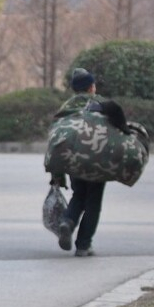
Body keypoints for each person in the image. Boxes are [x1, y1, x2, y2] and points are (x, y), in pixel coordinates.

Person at [53, 68, 106, 257]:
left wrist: (56, 174)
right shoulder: (101, 104)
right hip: (97, 161)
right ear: (91, 87)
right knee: (93, 201)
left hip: (72, 160)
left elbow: (56, 141)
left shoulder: (66, 108)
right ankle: (83, 245)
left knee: (78, 195)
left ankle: (67, 221)